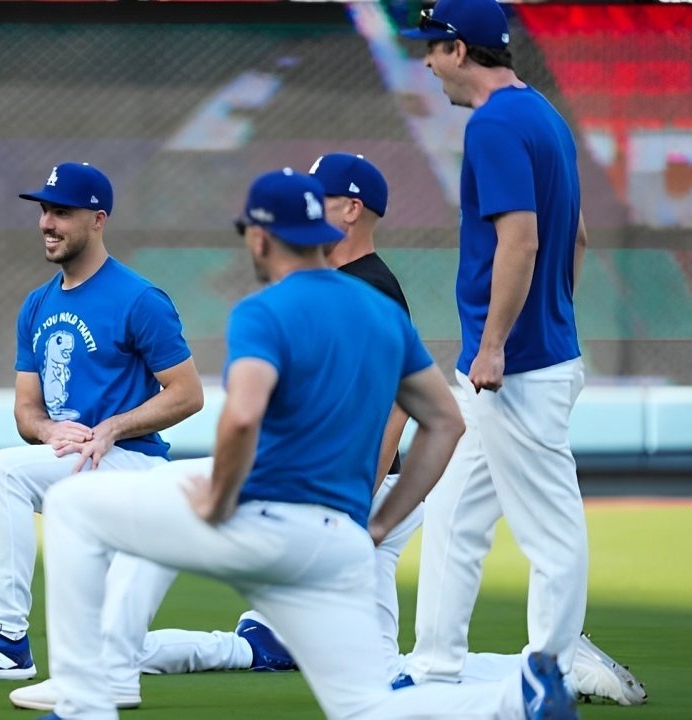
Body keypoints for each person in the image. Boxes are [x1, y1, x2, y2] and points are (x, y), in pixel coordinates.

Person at [30, 169, 576, 719]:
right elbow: (446, 423)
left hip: (263, 523)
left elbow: (243, 415)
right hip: (336, 540)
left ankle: (85, 706)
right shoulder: (383, 313)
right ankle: (516, 697)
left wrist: (219, 500)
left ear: (260, 238)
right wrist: (380, 524)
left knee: (73, 506)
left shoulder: (264, 310)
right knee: (363, 707)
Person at [131, 155, 645, 707]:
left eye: (318, 197)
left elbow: (399, 410)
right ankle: (541, 674)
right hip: (351, 493)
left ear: (351, 209)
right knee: (374, 671)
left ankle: (551, 672)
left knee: (384, 681)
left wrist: (361, 501)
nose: (307, 208)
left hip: (365, 489)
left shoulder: (370, 286)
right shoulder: (339, 281)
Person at [399, 0, 593, 690]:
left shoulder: (494, 126)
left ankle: (552, 674)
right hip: (523, 361)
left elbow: (523, 239)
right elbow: (573, 238)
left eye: (431, 46)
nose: (425, 61)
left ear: (459, 49)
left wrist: (497, 345)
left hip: (513, 371)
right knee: (452, 513)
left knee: (550, 530)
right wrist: (551, 316)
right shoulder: (542, 115)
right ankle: (433, 666)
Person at [0, 162, 204, 688]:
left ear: (98, 220)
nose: (47, 222)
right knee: (116, 650)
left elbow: (188, 394)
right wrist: (47, 433)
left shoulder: (140, 299)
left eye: (62, 212)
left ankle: (7, 638)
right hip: (73, 461)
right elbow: (27, 409)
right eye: (44, 210)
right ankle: (242, 650)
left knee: (3, 471)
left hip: (132, 463)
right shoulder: (37, 304)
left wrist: (112, 427)